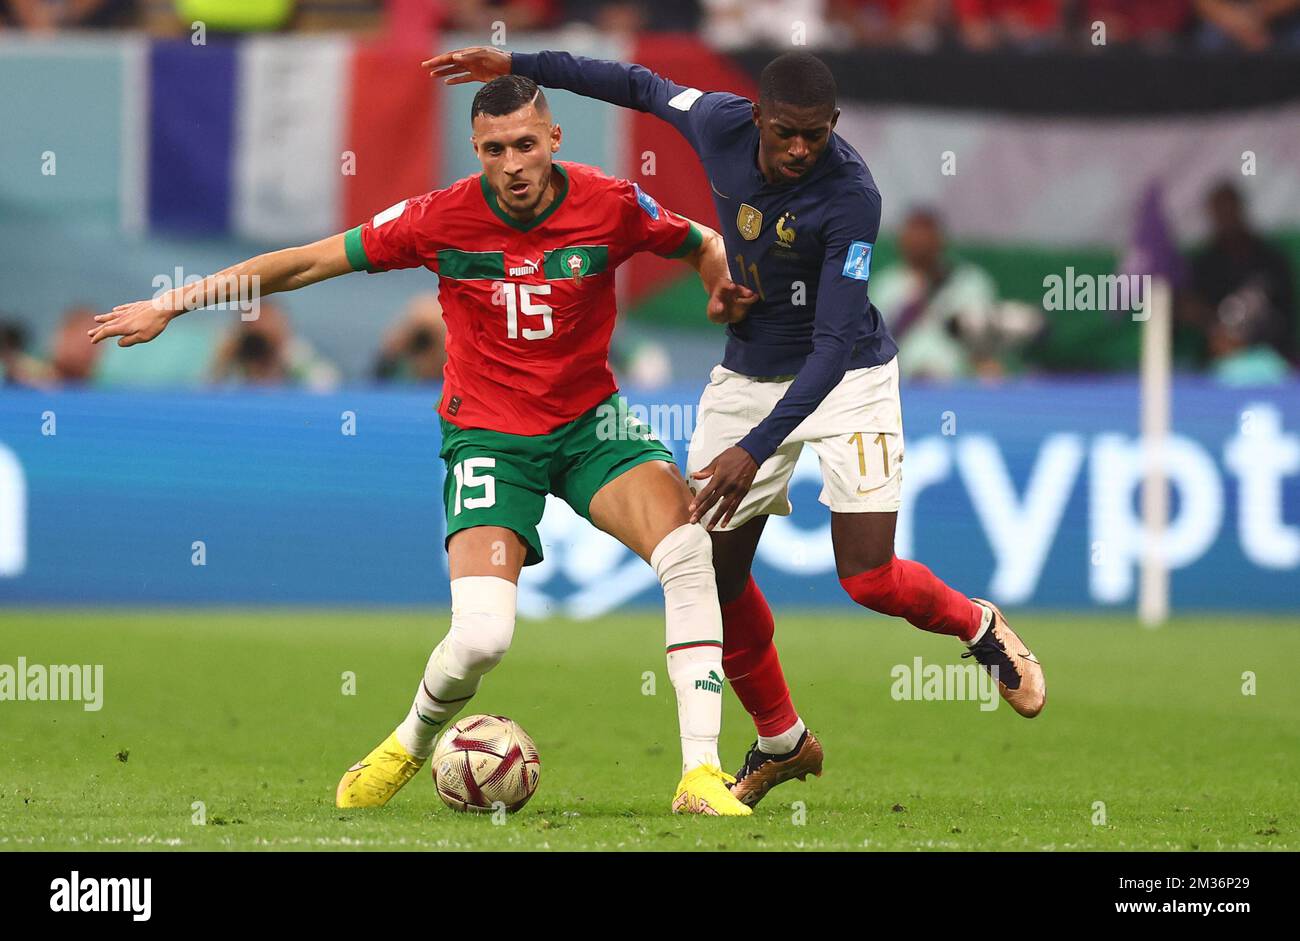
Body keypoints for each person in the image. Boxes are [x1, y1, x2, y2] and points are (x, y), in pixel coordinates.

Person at [89, 75, 755, 816]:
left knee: (689, 552)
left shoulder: (613, 203)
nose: (513, 164)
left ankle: (699, 773)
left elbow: (701, 242)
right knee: (481, 640)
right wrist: (173, 302)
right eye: (495, 149)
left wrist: (717, 280)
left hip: (592, 425)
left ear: (554, 140)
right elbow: (306, 262)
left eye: (527, 145)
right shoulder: (438, 218)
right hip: (490, 439)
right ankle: (408, 742)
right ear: (476, 150)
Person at [426, 45, 1047, 808]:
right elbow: (637, 84)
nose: (798, 150)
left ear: (835, 126)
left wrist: (751, 452)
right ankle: (782, 739)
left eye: (814, 136)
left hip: (849, 377)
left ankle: (976, 624)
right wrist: (519, 60)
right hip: (750, 375)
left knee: (868, 577)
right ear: (756, 116)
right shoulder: (716, 122)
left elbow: (829, 346)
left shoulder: (852, 197)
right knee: (711, 576)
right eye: (786, 132)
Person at [870, 207, 1002, 381]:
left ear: (941, 240)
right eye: (914, 235)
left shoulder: (970, 282)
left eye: (926, 235)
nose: (920, 243)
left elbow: (984, 345)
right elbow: (874, 345)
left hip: (958, 384)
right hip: (900, 383)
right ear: (901, 240)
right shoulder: (885, 284)